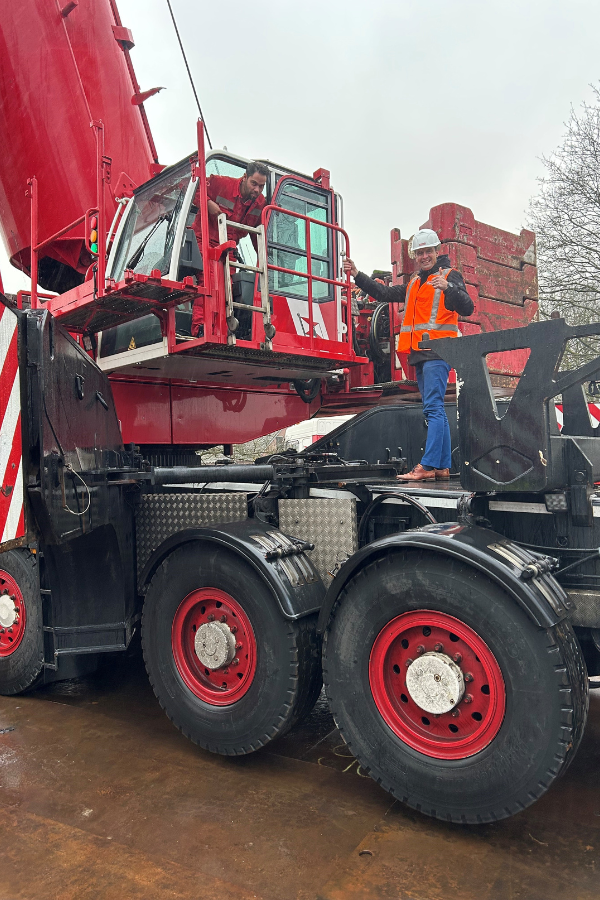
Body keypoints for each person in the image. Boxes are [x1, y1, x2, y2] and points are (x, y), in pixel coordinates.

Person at [344, 229, 473, 482]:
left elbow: (467, 307)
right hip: (421, 354)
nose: (424, 256)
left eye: (428, 251)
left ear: (437, 252)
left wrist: (449, 289)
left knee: (433, 408)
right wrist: (357, 275)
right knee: (434, 409)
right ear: (415, 256)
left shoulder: (449, 276)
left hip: (439, 351)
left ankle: (427, 466)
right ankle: (442, 467)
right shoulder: (416, 281)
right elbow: (384, 294)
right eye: (420, 253)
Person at [191, 161, 269, 337]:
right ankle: (202, 328)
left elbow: (257, 234)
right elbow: (193, 188)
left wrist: (265, 258)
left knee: (229, 287)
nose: (257, 190)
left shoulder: (260, 204)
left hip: (229, 247)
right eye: (254, 184)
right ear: (244, 178)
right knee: (210, 280)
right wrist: (208, 203)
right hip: (205, 240)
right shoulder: (220, 183)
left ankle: (222, 329)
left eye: (261, 186)